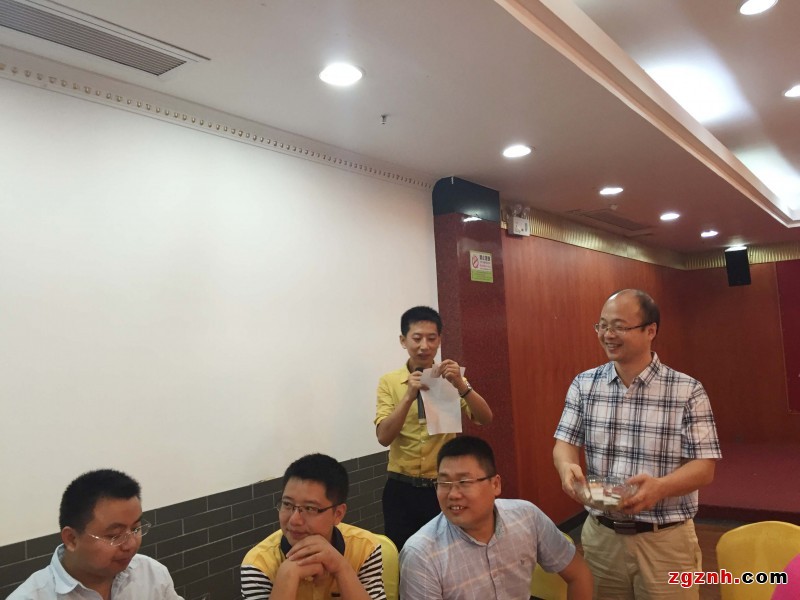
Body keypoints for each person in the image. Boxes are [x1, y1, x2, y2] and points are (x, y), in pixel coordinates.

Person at [553, 288, 722, 599]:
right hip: (601, 538)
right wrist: (567, 467)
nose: (607, 335)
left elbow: (704, 467)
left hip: (665, 542)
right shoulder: (584, 384)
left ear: (650, 331)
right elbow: (564, 443)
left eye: (619, 326)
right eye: (602, 325)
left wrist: (660, 488)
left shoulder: (687, 390)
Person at [399, 435, 592, 599]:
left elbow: (579, 574)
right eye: (444, 483)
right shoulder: (422, 554)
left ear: (495, 485)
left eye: (464, 482)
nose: (453, 494)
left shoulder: (526, 517)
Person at [374, 305, 492, 550]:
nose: (424, 346)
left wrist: (462, 386)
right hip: (401, 488)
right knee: (403, 553)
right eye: (417, 338)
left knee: (448, 551)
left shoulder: (451, 378)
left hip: (443, 487)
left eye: (431, 338)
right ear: (403, 341)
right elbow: (383, 437)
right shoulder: (389, 382)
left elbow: (484, 418)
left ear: (439, 340)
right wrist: (408, 395)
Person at [8, 469, 182, 600]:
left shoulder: (152, 575)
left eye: (136, 528)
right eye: (114, 535)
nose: (130, 544)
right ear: (72, 539)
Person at [240, 453, 386, 600]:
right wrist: (287, 575)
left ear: (338, 514)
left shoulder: (365, 549)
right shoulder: (259, 564)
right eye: (287, 504)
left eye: (310, 508)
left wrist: (342, 568)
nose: (294, 520)